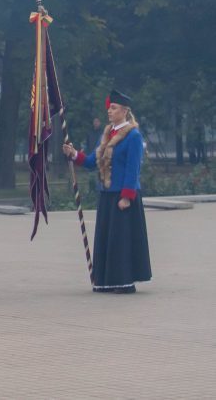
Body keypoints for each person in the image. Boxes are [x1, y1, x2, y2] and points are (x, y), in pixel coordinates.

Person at [63, 89, 151, 294]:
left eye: (113, 108)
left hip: (123, 195)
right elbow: (92, 161)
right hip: (107, 193)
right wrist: (74, 154)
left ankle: (124, 281)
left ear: (124, 111)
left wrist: (127, 197)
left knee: (121, 240)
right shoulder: (107, 133)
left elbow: (133, 168)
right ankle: (106, 280)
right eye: (109, 108)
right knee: (106, 238)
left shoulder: (133, 136)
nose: (109, 111)